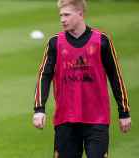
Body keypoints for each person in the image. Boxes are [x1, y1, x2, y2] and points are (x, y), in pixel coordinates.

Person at [32, 0, 131, 157]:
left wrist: (124, 111)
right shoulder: (54, 43)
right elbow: (44, 75)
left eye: (66, 15)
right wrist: (39, 109)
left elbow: (116, 76)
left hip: (97, 120)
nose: (62, 19)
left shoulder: (102, 41)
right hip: (66, 120)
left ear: (80, 14)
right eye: (60, 15)